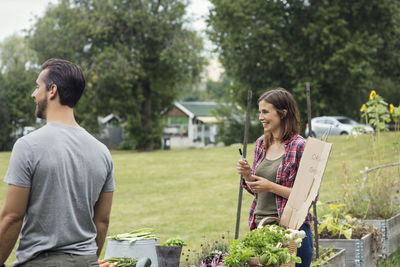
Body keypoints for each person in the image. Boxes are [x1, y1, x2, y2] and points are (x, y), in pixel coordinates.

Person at [0, 58, 115, 266]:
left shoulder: (27, 146)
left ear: (52, 90)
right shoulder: (102, 152)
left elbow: (12, 218)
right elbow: (102, 222)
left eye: (37, 87)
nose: (33, 94)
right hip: (87, 261)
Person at [236, 88, 313, 267]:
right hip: (260, 231)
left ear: (283, 113)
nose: (260, 117)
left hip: (291, 233)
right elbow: (255, 189)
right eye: (259, 112)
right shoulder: (261, 144)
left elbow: (309, 197)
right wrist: (248, 175)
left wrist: (271, 186)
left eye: (265, 112)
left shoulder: (300, 147)